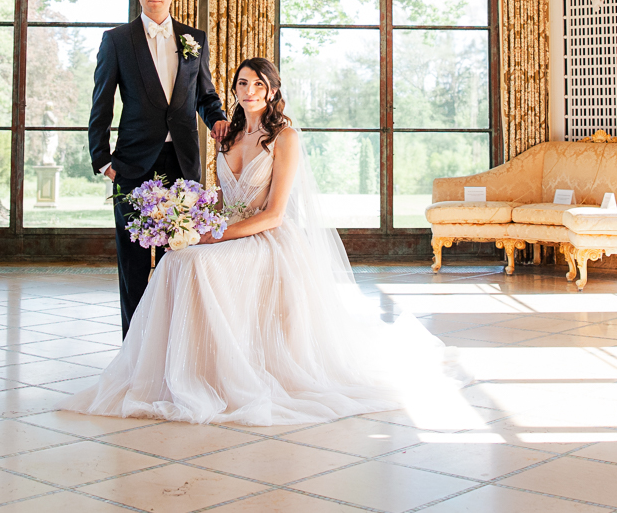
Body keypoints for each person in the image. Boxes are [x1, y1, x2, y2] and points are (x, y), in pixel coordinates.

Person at [64, 57, 436, 424]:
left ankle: (214, 374)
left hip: (267, 237)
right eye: (243, 83)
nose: (250, 90)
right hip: (227, 230)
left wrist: (214, 237)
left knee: (197, 262)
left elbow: (274, 214)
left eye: (259, 84)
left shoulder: (284, 138)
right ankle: (178, 370)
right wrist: (187, 223)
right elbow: (223, 202)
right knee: (174, 259)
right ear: (235, 90)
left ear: (272, 91)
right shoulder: (228, 137)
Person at [87, 0, 229, 335]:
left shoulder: (194, 40)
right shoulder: (117, 41)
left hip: (183, 164)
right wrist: (103, 161)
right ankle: (134, 351)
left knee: (180, 259)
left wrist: (217, 119)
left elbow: (205, 94)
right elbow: (101, 103)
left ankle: (176, 345)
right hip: (132, 165)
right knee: (133, 265)